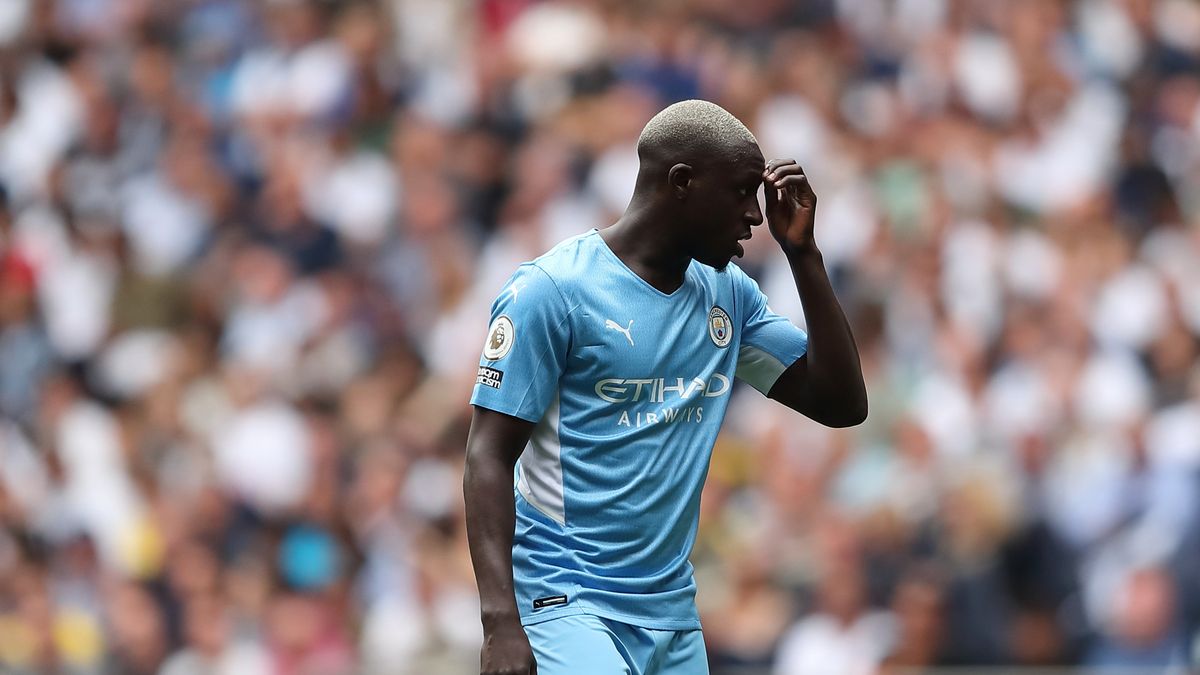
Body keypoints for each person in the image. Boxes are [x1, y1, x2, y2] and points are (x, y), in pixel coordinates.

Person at [463, 99, 867, 675]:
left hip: (671, 612)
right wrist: (500, 621)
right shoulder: (552, 292)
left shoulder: (729, 296)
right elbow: (487, 453)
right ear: (683, 183)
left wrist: (803, 254)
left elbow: (841, 404)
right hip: (567, 600)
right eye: (741, 193)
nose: (755, 217)